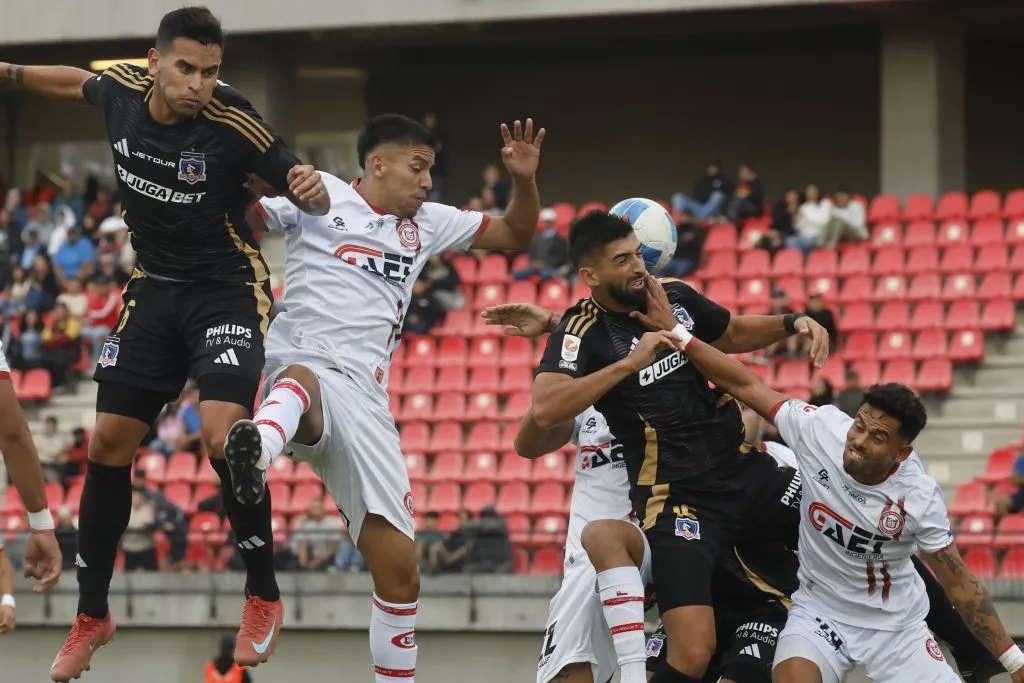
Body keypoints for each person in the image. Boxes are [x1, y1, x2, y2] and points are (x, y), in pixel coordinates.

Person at [1, 7, 331, 679]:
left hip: (226, 290)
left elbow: (297, 177)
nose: (199, 84)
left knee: (220, 436)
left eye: (211, 72)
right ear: (155, 63)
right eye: (186, 68)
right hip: (154, 288)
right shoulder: (120, 86)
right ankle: (92, 614)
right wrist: (8, 71)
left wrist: (308, 185)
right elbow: (71, 83)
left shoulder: (233, 121)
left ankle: (263, 593)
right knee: (108, 445)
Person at [234, 113, 544, 681]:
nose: (427, 181)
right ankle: (258, 447)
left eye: (431, 169)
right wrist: (246, 181)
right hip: (303, 367)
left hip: (368, 401)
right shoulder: (318, 193)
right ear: (377, 163)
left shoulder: (429, 222)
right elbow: (245, 217)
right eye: (417, 167)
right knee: (304, 379)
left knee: (401, 574)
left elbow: (515, 235)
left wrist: (524, 181)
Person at [646, 295, 1024, 683]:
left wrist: (1014, 661)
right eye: (859, 424)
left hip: (895, 629)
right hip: (818, 613)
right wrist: (678, 333)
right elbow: (745, 383)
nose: (858, 440)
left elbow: (961, 584)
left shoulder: (918, 498)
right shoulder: (820, 431)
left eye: (878, 437)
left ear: (901, 452)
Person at [519, 210, 828, 682]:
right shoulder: (580, 330)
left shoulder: (675, 295)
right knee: (692, 650)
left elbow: (731, 333)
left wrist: (792, 322)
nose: (637, 267)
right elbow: (544, 409)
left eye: (637, 254)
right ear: (591, 275)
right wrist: (627, 365)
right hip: (674, 500)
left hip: (739, 472)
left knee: (841, 511)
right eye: (621, 260)